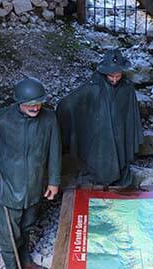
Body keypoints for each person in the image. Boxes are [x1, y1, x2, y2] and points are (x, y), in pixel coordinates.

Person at [0, 77, 61, 269]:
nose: (35, 107)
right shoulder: (2, 119)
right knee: (9, 235)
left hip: (35, 185)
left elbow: (54, 151)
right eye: (30, 103)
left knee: (27, 225)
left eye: (38, 102)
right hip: (8, 187)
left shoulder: (49, 119)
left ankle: (26, 262)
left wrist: (53, 181)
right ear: (19, 102)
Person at [57, 49, 143, 187]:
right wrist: (62, 113)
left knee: (120, 157)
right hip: (100, 133)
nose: (115, 79)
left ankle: (117, 178)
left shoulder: (127, 88)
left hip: (119, 131)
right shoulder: (93, 86)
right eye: (111, 76)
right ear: (104, 73)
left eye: (118, 75)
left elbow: (130, 114)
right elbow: (69, 103)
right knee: (100, 161)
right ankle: (100, 181)